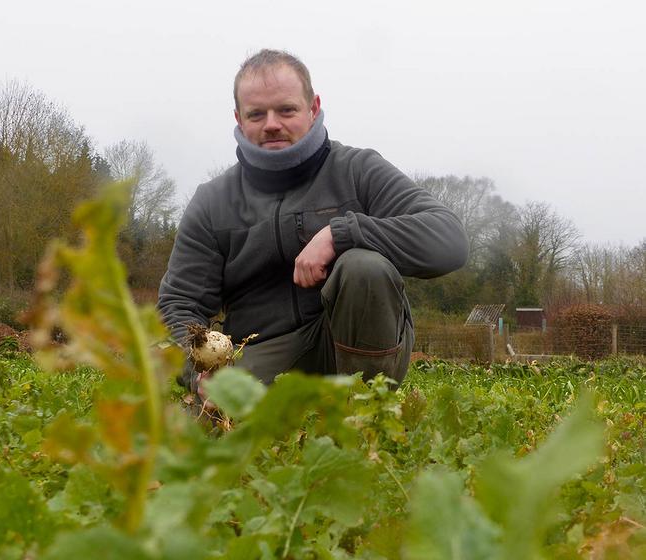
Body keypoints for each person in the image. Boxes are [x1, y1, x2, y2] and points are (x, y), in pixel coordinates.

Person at [158, 49, 468, 388]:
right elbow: (179, 303)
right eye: (257, 114)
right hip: (261, 352)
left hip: (344, 345)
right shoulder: (212, 201)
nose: (272, 124)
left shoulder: (357, 170)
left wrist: (341, 234)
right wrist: (197, 375)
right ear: (238, 118)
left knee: (364, 267)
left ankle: (366, 413)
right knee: (225, 426)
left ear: (313, 107)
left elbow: (449, 240)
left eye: (287, 109)